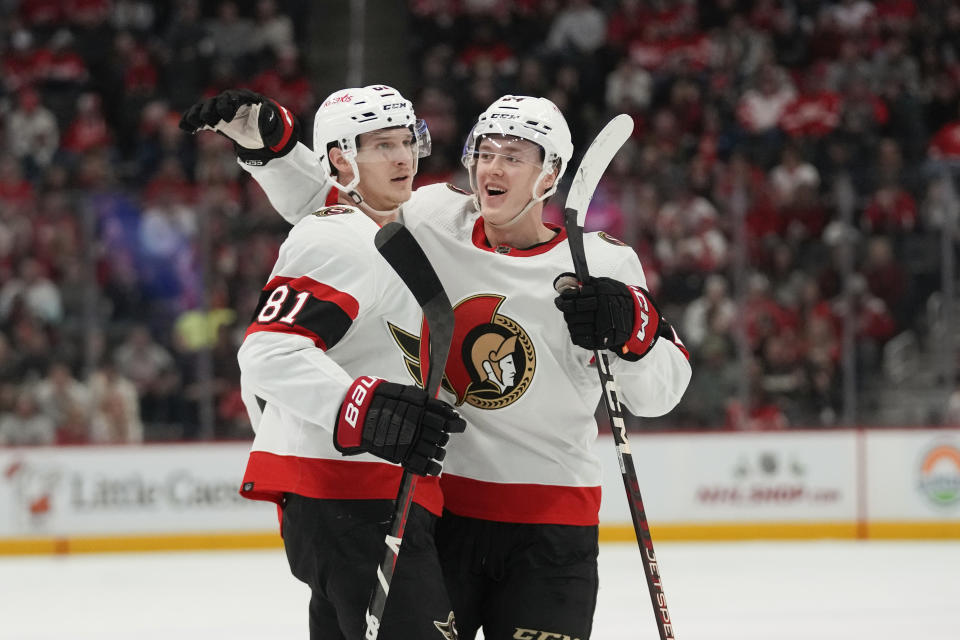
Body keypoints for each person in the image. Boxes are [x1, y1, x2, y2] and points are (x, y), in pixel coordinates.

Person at [182, 89, 691, 639]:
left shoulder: (602, 263)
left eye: (514, 156)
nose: (493, 167)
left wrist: (632, 331)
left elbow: (659, 392)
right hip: (442, 509)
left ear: (550, 175)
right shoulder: (429, 218)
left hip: (552, 523)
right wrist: (280, 154)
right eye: (486, 152)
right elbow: (342, 209)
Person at [181, 86, 465, 640]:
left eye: (408, 141)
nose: (404, 157)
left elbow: (332, 198)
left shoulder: (381, 228)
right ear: (341, 157)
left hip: (361, 495)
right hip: (351, 495)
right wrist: (362, 408)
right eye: (383, 145)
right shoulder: (337, 240)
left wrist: (280, 151)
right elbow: (269, 351)